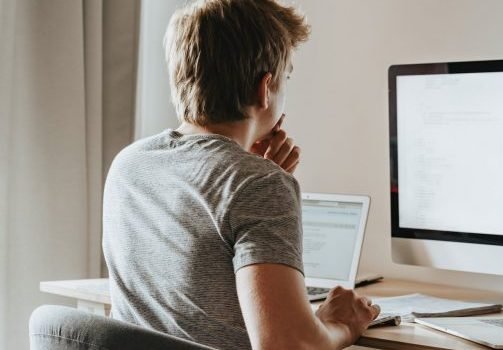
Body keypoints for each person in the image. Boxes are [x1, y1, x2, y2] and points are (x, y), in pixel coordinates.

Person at [101, 1, 379, 349]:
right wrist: (338, 324)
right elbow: (288, 346)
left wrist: (251, 172)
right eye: (286, 78)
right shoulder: (258, 184)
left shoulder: (129, 164)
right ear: (265, 88)